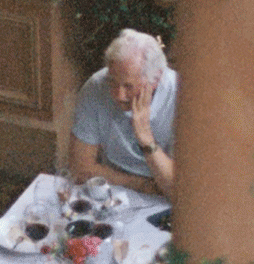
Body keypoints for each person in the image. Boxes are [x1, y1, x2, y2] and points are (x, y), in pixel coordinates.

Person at [68, 29, 177, 199]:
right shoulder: (95, 86)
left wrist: (146, 138)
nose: (119, 95)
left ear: (155, 80)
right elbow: (80, 169)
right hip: (113, 192)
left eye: (128, 86)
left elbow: (177, 189)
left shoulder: (181, 97)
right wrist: (140, 185)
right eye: (113, 82)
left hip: (164, 200)